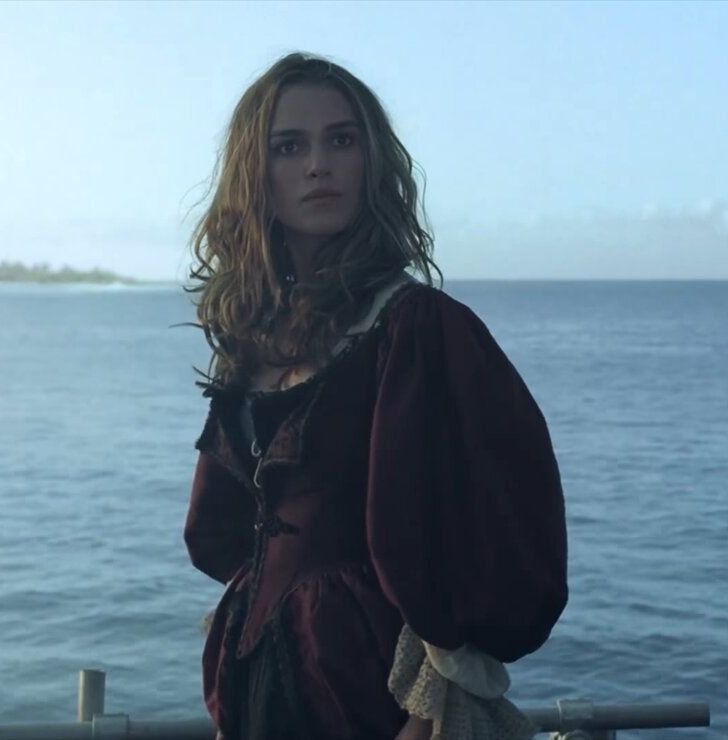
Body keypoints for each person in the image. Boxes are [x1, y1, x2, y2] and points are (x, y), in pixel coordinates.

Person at [183, 52, 568, 740]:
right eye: (288, 146)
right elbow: (229, 532)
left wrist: (431, 705)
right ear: (254, 173)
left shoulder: (418, 329)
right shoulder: (254, 340)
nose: (318, 166)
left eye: (341, 139)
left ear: (372, 160)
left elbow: (500, 522)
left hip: (373, 695)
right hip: (264, 681)